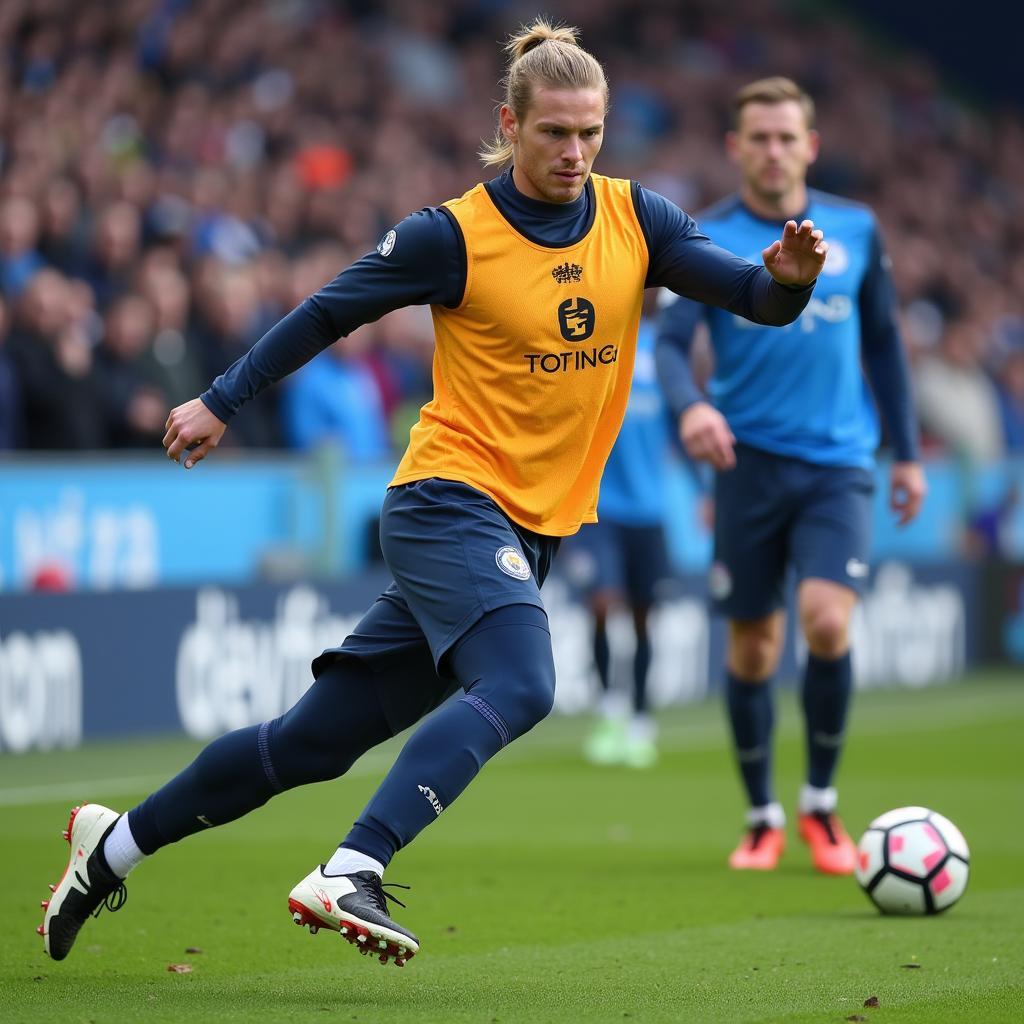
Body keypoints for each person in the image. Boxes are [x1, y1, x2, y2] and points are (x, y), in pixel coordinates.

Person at [39, 26, 828, 967]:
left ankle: (110, 846)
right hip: (447, 500)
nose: (574, 153)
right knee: (525, 681)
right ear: (510, 124)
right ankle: (351, 866)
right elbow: (330, 307)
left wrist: (789, 283)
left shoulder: (638, 220)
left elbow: (755, 297)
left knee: (311, 744)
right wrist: (220, 400)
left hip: (528, 527)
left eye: (590, 133)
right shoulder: (452, 235)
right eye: (554, 134)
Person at [656, 77, 926, 875]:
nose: (773, 151)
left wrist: (905, 449)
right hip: (747, 466)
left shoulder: (857, 229)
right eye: (758, 138)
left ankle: (819, 805)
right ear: (736, 147)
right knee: (752, 649)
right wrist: (691, 408)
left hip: (839, 464)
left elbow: (883, 342)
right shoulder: (705, 236)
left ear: (810, 145)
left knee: (827, 622)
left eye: (787, 137)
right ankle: (761, 816)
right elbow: (671, 345)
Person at [569, 310, 672, 769]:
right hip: (599, 506)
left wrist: (705, 491)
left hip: (650, 508)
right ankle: (609, 708)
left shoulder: (667, 351)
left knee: (644, 619)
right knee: (602, 604)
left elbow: (681, 422)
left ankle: (641, 719)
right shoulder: (599, 333)